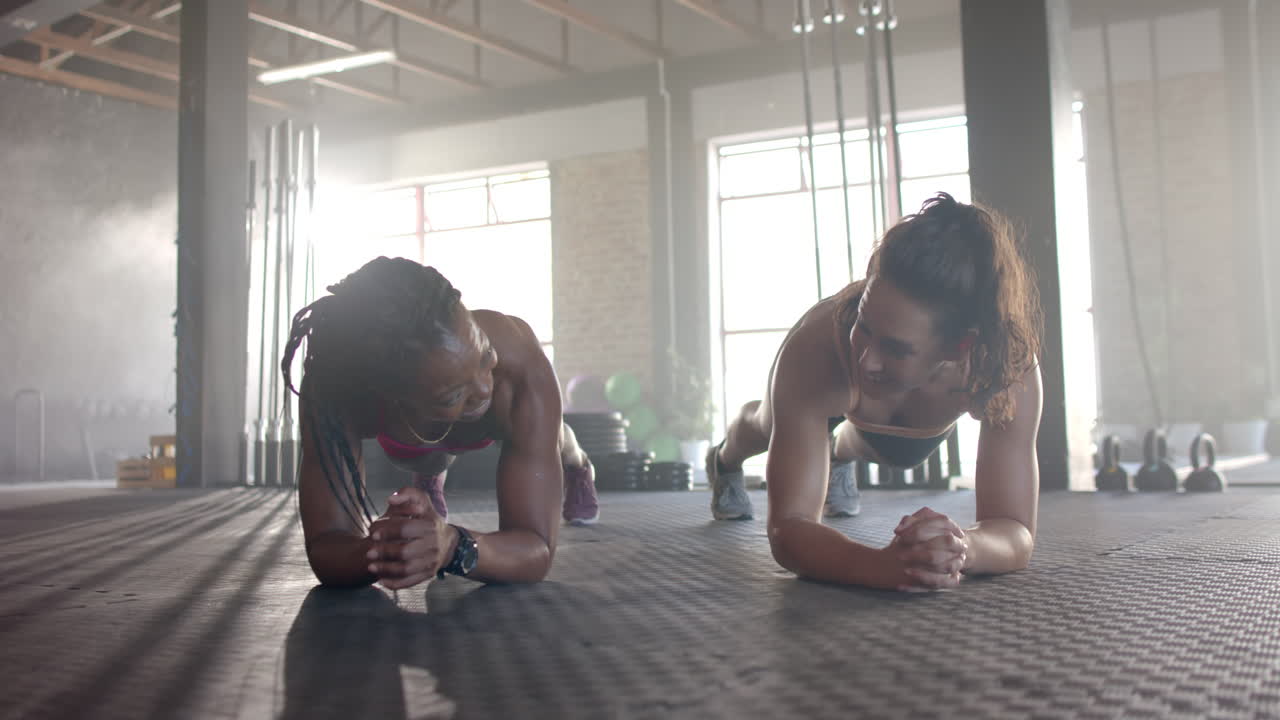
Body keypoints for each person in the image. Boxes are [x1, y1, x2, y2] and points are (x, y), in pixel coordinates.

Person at [706, 193, 1043, 592]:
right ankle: (724, 461)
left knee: (892, 450)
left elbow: (1016, 532)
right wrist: (879, 567)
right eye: (864, 326)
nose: (866, 360)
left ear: (959, 348)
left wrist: (961, 547)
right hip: (821, 396)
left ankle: (833, 455)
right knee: (764, 422)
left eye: (897, 348)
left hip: (897, 432)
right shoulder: (816, 348)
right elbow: (788, 528)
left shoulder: (1004, 366)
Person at [282, 257, 599, 590]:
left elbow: (537, 548)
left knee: (557, 438)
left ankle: (581, 469)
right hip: (417, 433)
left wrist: (452, 545)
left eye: (484, 357)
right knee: (421, 455)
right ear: (389, 396)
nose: (483, 389)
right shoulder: (336, 393)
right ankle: (432, 467)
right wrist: (389, 548)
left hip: (499, 428)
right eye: (452, 395)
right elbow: (326, 547)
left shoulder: (514, 363)